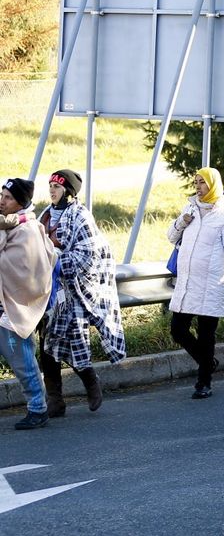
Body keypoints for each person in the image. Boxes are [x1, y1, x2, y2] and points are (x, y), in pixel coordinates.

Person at [37, 171, 126, 414]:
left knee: (75, 341)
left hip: (73, 290)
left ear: (68, 190)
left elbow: (89, 253)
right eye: (50, 185)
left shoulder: (80, 215)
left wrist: (56, 261)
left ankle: (91, 382)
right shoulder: (45, 213)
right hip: (49, 290)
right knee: (46, 344)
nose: (52, 190)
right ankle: (55, 400)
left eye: (57, 186)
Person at [168, 168, 224, 399]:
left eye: (203, 183)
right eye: (196, 182)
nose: (198, 187)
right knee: (178, 330)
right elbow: (171, 237)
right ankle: (207, 362)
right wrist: (182, 221)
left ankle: (204, 382)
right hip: (188, 282)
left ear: (213, 185)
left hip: (212, 283)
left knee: (206, 334)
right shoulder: (190, 209)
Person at [0, 180, 56, 429]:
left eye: (8, 197)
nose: (2, 201)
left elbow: (24, 269)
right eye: (1, 195)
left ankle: (38, 408)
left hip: (14, 308)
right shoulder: (8, 226)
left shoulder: (27, 230)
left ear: (21, 202)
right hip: (4, 304)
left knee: (22, 359)